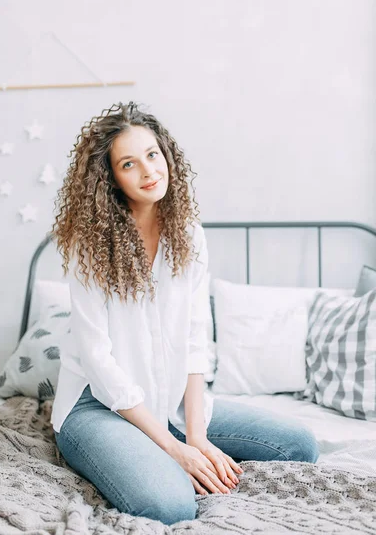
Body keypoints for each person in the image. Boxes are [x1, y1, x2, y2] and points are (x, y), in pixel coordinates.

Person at [50, 101, 319, 526]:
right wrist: (174, 450)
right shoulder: (91, 247)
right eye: (129, 163)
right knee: (170, 506)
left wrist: (196, 436)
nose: (149, 171)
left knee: (299, 446)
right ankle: (145, 451)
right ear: (111, 179)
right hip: (97, 405)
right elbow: (99, 363)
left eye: (153, 155)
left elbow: (195, 340)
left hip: (168, 398)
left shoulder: (188, 234)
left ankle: (171, 437)